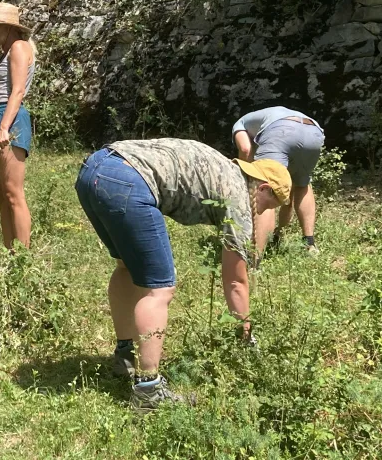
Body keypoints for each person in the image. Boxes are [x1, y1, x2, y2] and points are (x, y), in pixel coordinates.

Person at [74, 138, 291, 409]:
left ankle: (125, 358)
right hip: (128, 179)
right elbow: (236, 280)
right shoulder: (239, 196)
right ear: (263, 187)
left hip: (95, 168)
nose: (261, 212)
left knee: (126, 267)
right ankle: (148, 391)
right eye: (268, 205)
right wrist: (245, 335)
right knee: (160, 288)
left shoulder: (224, 168)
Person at [0, 2, 36, 250]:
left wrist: (4, 127)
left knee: (13, 194)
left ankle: (22, 259)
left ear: (8, 27)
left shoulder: (20, 47)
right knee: (1, 195)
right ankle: (9, 252)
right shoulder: (5, 53)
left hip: (7, 118)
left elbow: (18, 91)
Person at [232, 106, 325, 255]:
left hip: (281, 131)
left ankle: (255, 258)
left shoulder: (239, 124)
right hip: (313, 132)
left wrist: (247, 178)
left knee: (265, 187)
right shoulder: (265, 116)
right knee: (301, 185)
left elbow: (245, 149)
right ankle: (307, 243)